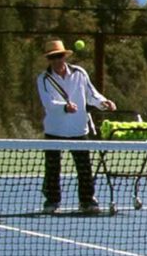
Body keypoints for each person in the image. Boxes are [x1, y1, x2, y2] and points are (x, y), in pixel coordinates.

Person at [37, 39, 116, 214]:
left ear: (65, 57)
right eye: (53, 57)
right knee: (52, 168)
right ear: (49, 59)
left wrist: (104, 103)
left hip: (78, 130)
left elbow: (92, 94)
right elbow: (48, 103)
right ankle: (52, 201)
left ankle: (87, 201)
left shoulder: (80, 73)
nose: (57, 60)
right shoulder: (43, 79)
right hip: (54, 130)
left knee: (84, 167)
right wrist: (64, 107)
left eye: (59, 56)